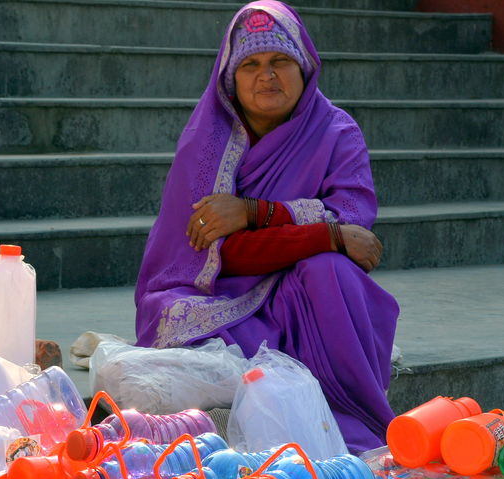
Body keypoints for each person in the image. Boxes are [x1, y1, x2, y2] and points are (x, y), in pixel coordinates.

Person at [134, 0, 398, 454]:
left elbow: (355, 230)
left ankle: (355, 418)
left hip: (301, 289)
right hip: (220, 292)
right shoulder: (206, 143)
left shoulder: (337, 132)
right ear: (231, 79)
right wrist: (324, 234)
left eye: (280, 61)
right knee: (182, 320)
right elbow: (221, 254)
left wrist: (254, 212)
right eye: (251, 65)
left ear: (305, 68)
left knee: (330, 271)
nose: (266, 76)